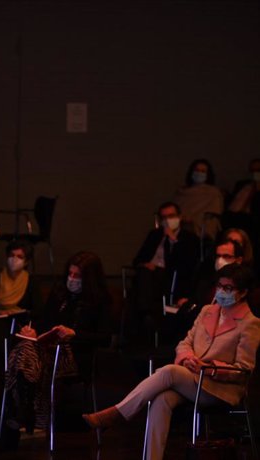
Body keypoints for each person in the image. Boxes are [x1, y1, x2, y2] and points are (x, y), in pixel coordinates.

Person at [83, 263, 260, 460]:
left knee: (169, 371)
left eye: (228, 288)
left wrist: (209, 369)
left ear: (243, 292)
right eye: (219, 286)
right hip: (192, 378)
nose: (221, 291)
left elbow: (244, 369)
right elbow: (185, 343)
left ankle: (117, 413)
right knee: (161, 399)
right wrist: (188, 358)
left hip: (219, 389)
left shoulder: (250, 323)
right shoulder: (208, 311)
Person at [3, 251, 113, 437]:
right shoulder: (59, 293)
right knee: (25, 347)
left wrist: (74, 334)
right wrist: (33, 331)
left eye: (77, 276)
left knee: (25, 355)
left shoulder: (101, 300)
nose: (71, 279)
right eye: (69, 274)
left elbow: (105, 338)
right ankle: (28, 407)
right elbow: (44, 322)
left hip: (76, 356)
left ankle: (19, 406)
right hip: (47, 350)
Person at [0, 240, 43, 395]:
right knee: (0, 326)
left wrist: (20, 312)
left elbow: (37, 310)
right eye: (11, 255)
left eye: (19, 256)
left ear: (26, 261)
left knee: (3, 330)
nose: (14, 259)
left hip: (20, 324)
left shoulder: (31, 282)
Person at [130, 201, 200, 344]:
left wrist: (173, 240)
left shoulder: (189, 238)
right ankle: (146, 315)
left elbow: (185, 264)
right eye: (164, 217)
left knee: (147, 279)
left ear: (179, 217)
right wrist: (146, 264)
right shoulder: (154, 235)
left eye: (171, 216)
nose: (168, 220)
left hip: (171, 277)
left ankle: (147, 313)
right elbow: (137, 259)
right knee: (143, 274)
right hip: (149, 277)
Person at [173, 159, 225, 241]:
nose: (199, 173)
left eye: (203, 171)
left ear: (208, 174)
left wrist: (194, 223)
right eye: (197, 170)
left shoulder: (213, 193)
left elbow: (213, 217)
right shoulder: (181, 192)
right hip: (179, 233)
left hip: (200, 236)